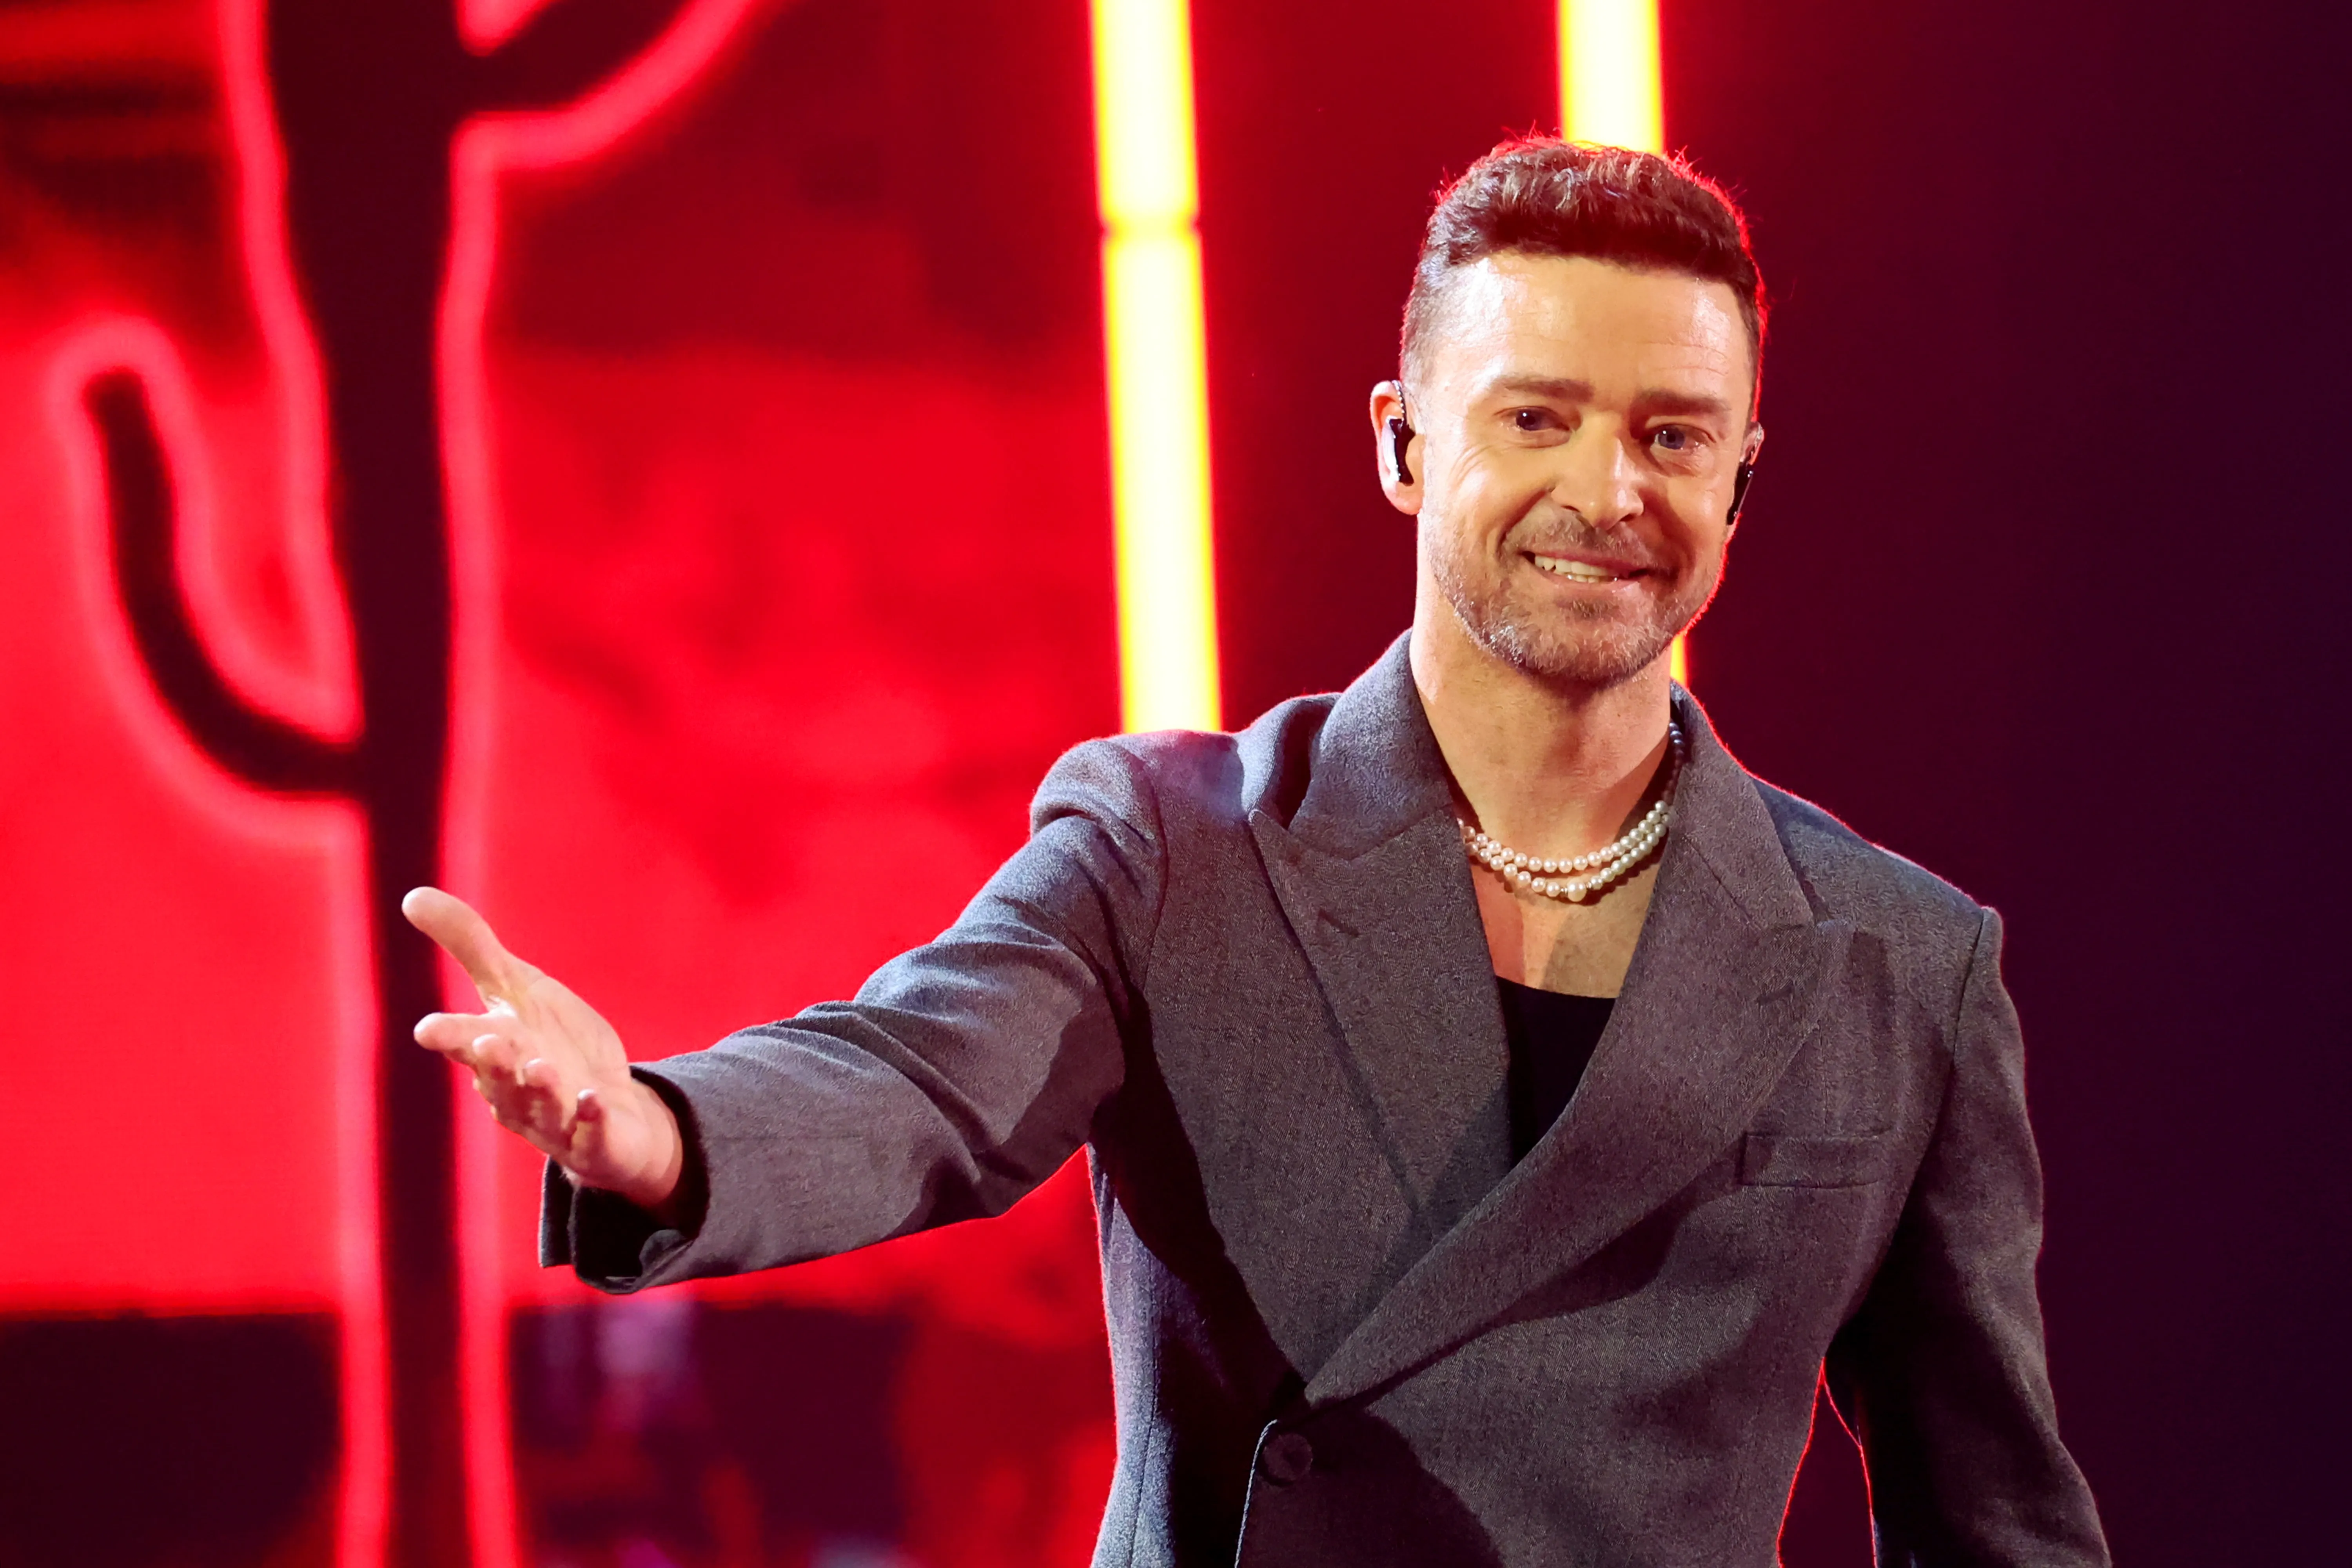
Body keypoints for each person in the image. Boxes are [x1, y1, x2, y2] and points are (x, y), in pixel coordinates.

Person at [406, 138, 2109, 1566]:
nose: (1608, 486)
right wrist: (656, 1126)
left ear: (1739, 483)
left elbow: (1998, 1519)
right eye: (1535, 419)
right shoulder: (1173, 849)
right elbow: (920, 1082)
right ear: (1402, 442)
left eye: (1671, 435)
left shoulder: (1899, 963)